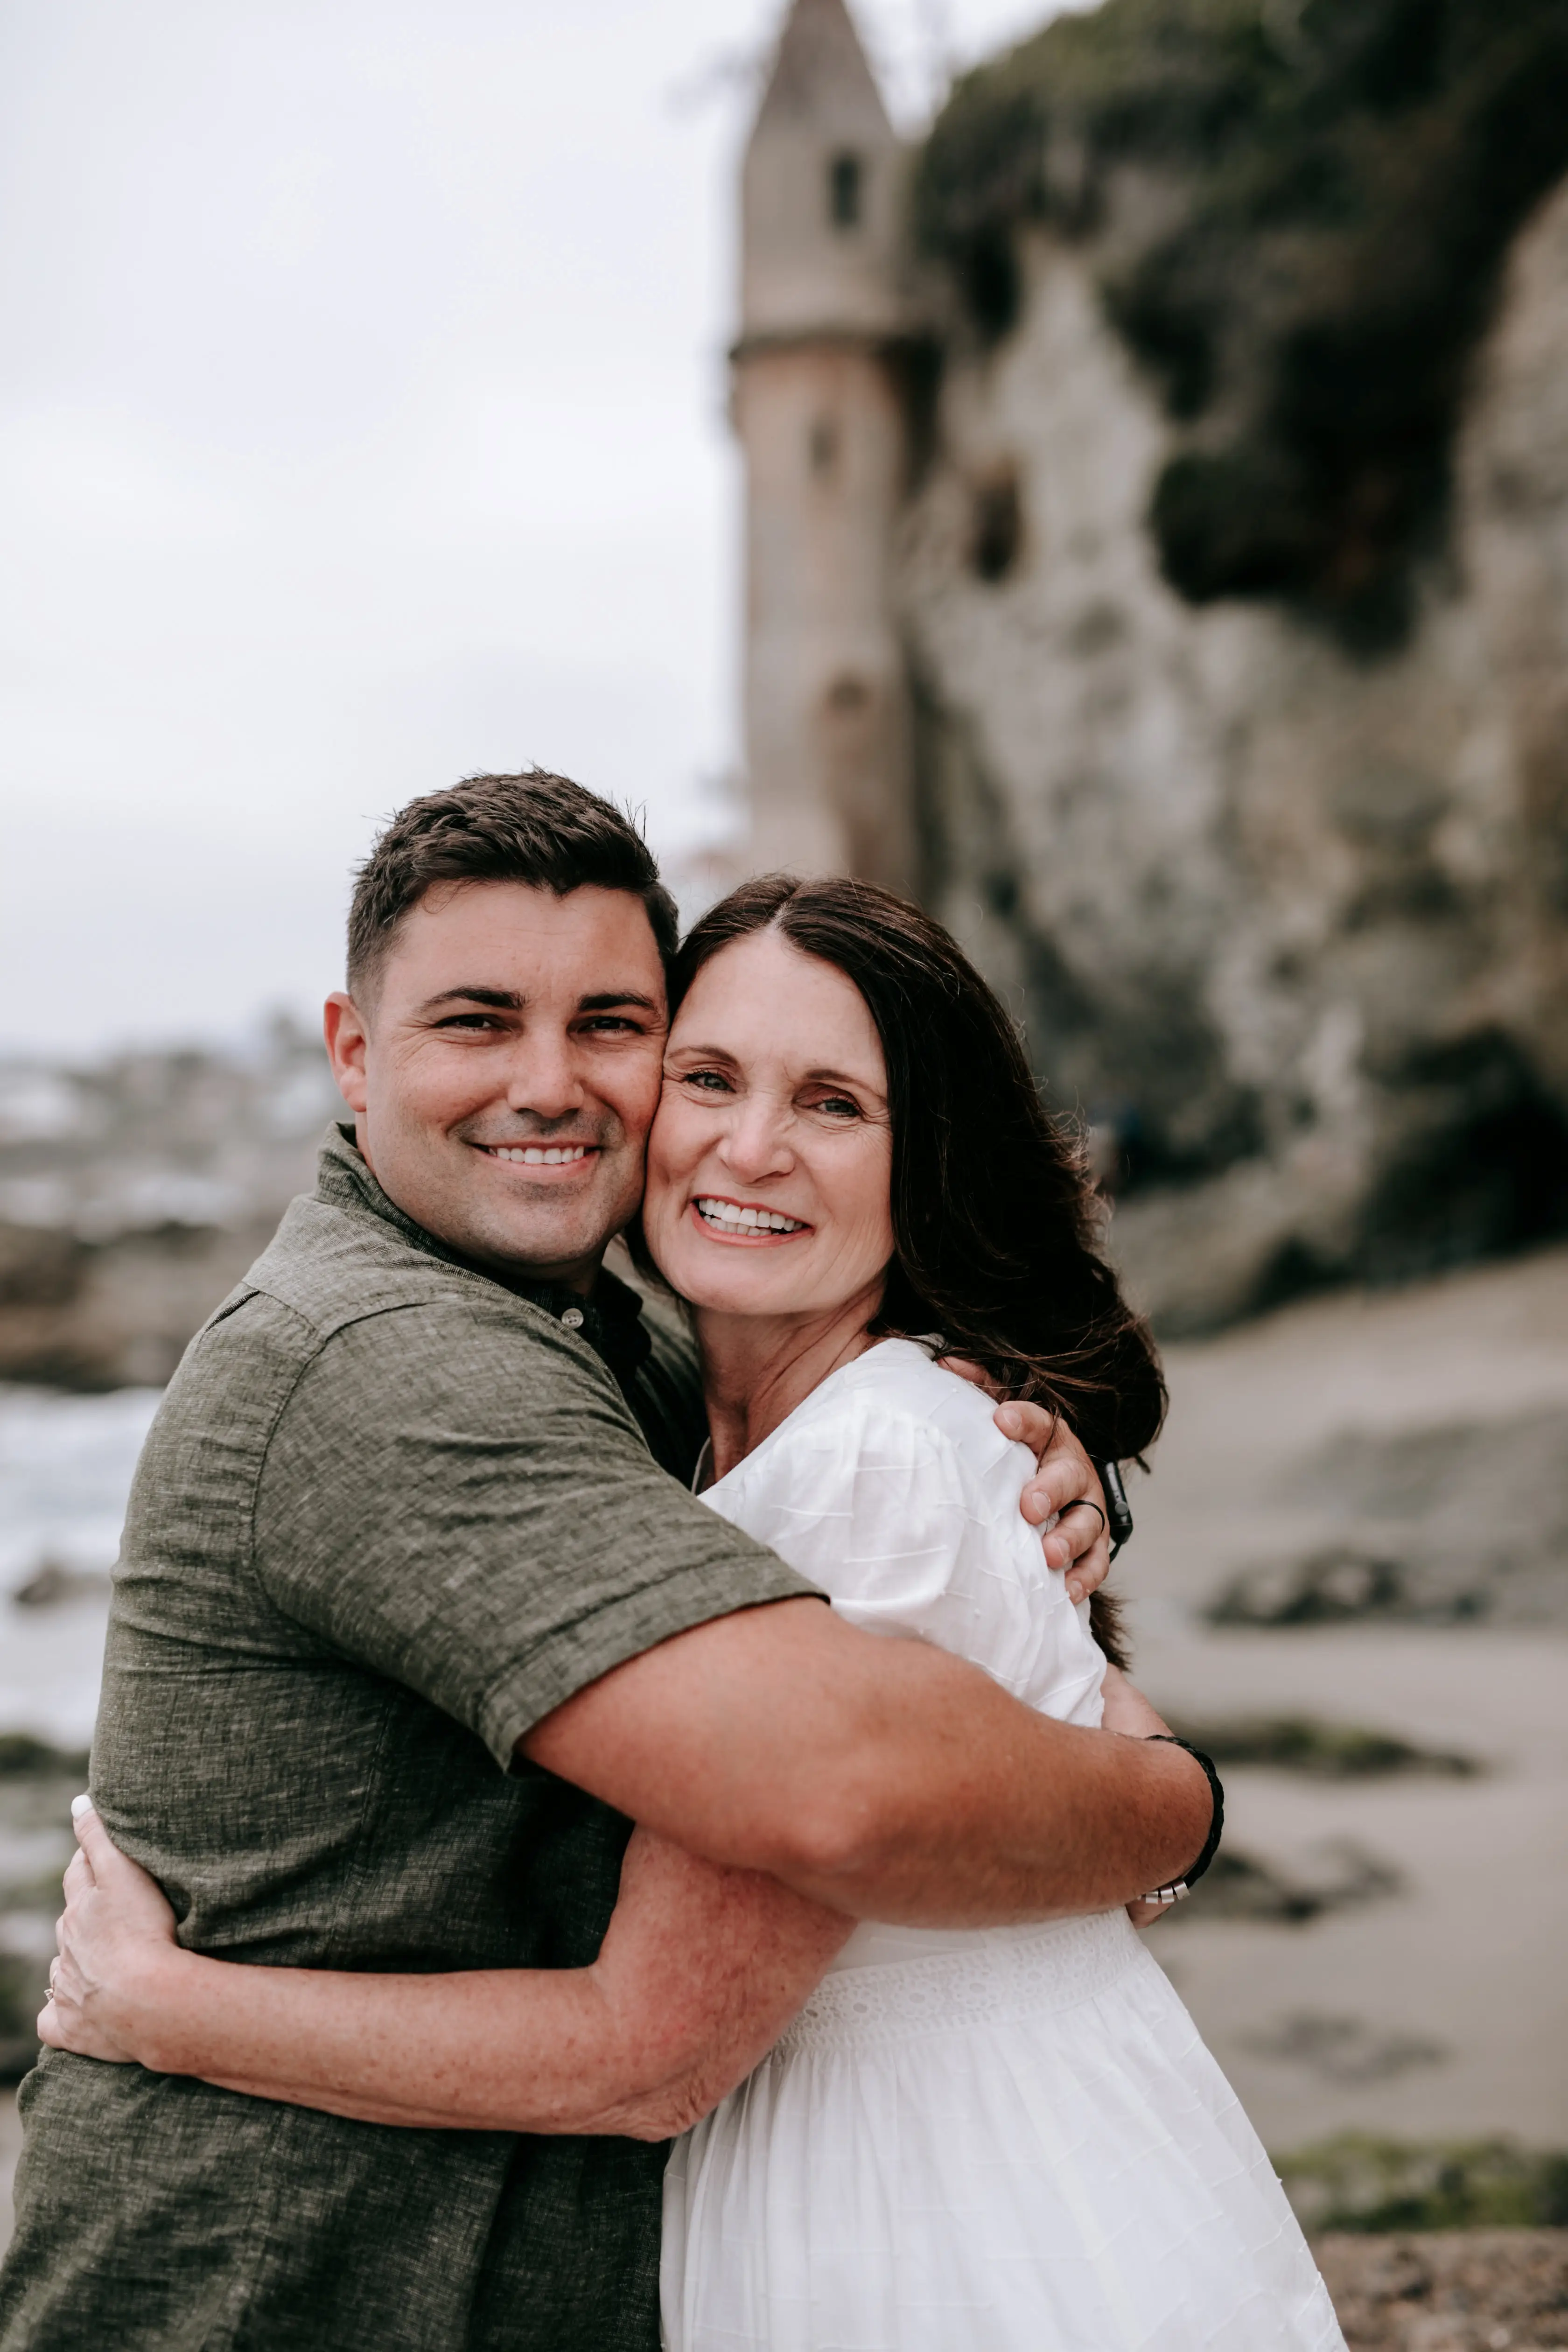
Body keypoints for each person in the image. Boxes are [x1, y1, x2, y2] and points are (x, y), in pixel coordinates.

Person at [40, 865, 1338, 2347]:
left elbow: (659, 2044)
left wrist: (160, 2004)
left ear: (929, 1167)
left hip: (941, 2206)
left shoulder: (862, 1455)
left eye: (835, 1104)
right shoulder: (668, 1402)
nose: (752, 1145)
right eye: (709, 1076)